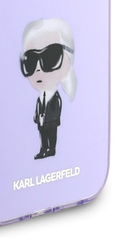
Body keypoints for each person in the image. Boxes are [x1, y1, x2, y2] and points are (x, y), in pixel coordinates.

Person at [20, 18, 77, 159]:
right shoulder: (41, 97)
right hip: (42, 122)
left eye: (51, 57)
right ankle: (44, 149)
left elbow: (56, 108)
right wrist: (37, 118)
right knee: (43, 136)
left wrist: (50, 119)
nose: (38, 68)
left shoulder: (55, 97)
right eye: (30, 61)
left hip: (51, 123)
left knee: (51, 136)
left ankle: (51, 149)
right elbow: (39, 107)